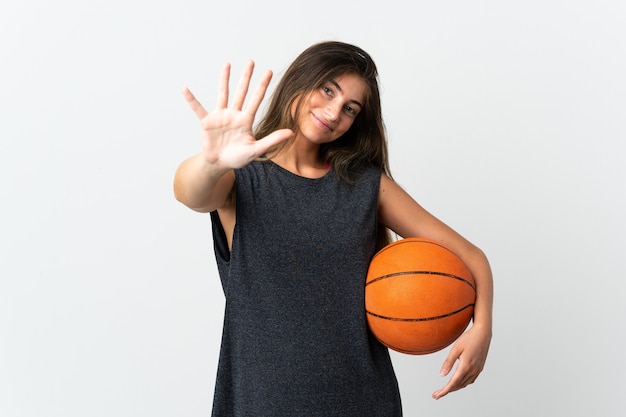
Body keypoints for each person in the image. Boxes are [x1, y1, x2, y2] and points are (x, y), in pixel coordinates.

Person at [174, 41, 493, 416]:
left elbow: (470, 256)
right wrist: (212, 162)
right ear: (301, 78)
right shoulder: (241, 178)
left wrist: (482, 330)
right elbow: (189, 193)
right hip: (261, 402)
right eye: (328, 89)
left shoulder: (365, 187)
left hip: (361, 400)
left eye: (350, 108)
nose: (333, 111)